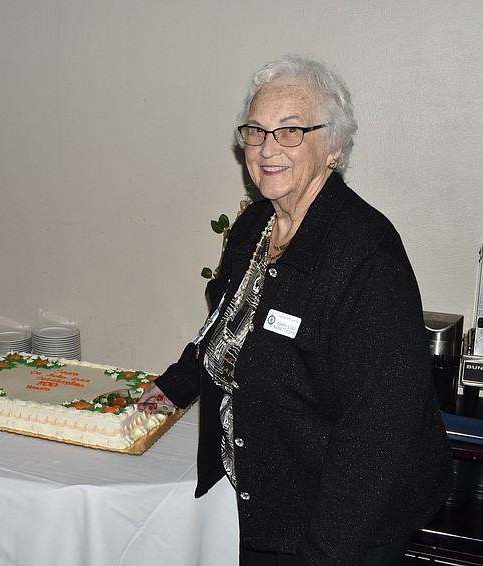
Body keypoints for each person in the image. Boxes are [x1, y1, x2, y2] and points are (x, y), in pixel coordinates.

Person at [139, 55, 453, 565]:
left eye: (290, 132)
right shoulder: (252, 229)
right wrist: (177, 383)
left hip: (344, 527)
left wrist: (322, 553)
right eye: (257, 131)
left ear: (333, 147)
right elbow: (226, 325)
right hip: (267, 506)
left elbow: (376, 433)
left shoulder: (365, 255)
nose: (266, 149)